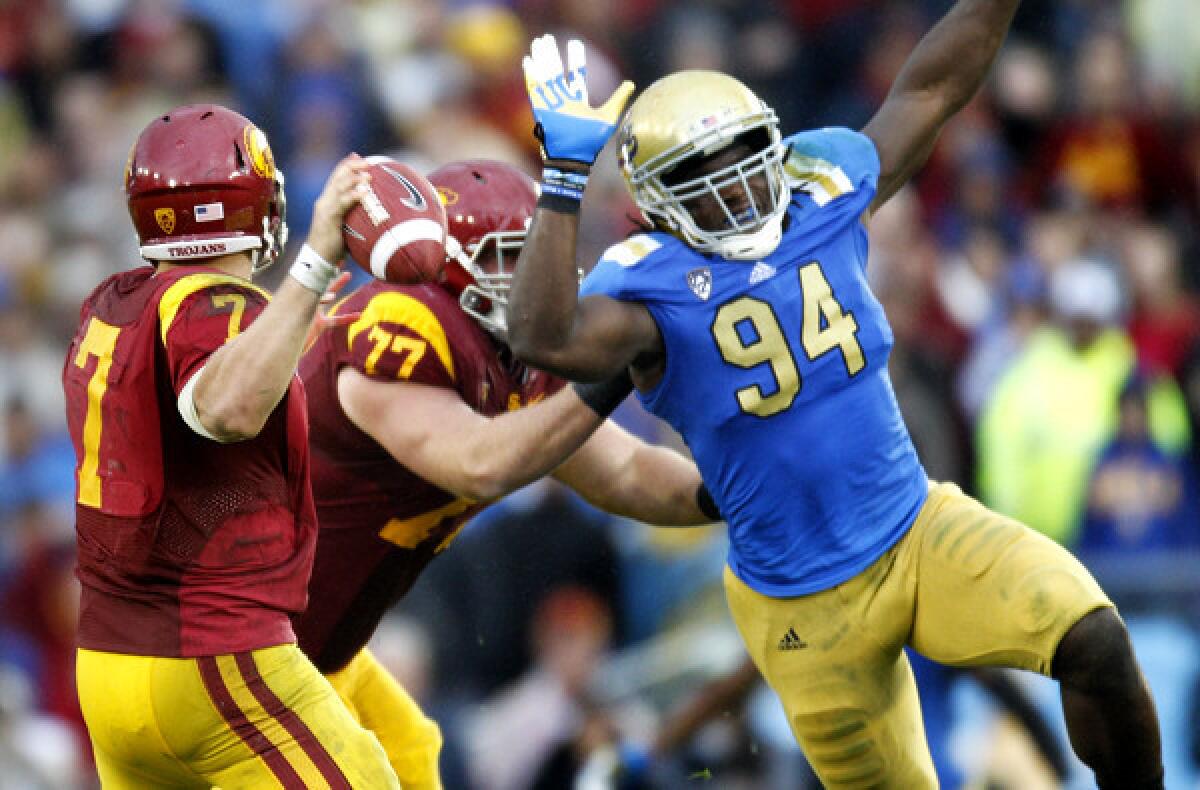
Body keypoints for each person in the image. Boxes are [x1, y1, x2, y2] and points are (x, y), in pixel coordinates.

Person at [506, 7, 1165, 788]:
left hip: (917, 530)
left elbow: (930, 90)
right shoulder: (642, 288)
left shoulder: (821, 190)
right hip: (802, 610)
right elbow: (541, 336)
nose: (737, 190)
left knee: (1095, 640)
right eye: (702, 180)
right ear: (656, 202)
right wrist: (563, 179)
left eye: (746, 158)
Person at [293, 158, 716, 789]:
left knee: (413, 755)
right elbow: (480, 463)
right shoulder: (400, 324)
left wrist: (735, 490)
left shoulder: (511, 359)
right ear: (450, 265)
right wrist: (617, 366)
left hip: (319, 649)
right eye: (510, 257)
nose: (532, 281)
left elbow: (624, 470)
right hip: (240, 638)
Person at [62, 104, 399, 788]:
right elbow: (223, 407)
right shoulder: (218, 308)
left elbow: (183, 385)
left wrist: (290, 316)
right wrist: (311, 266)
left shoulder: (113, 300)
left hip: (108, 667)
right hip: (210, 657)